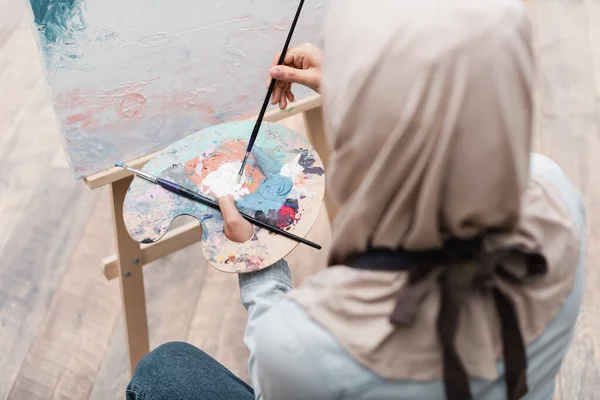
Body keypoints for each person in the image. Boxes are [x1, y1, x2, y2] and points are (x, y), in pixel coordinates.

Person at [126, 0, 586, 399]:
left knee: (163, 371)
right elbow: (457, 125)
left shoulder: (306, 350)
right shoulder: (557, 200)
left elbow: (277, 368)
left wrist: (252, 250)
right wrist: (357, 88)